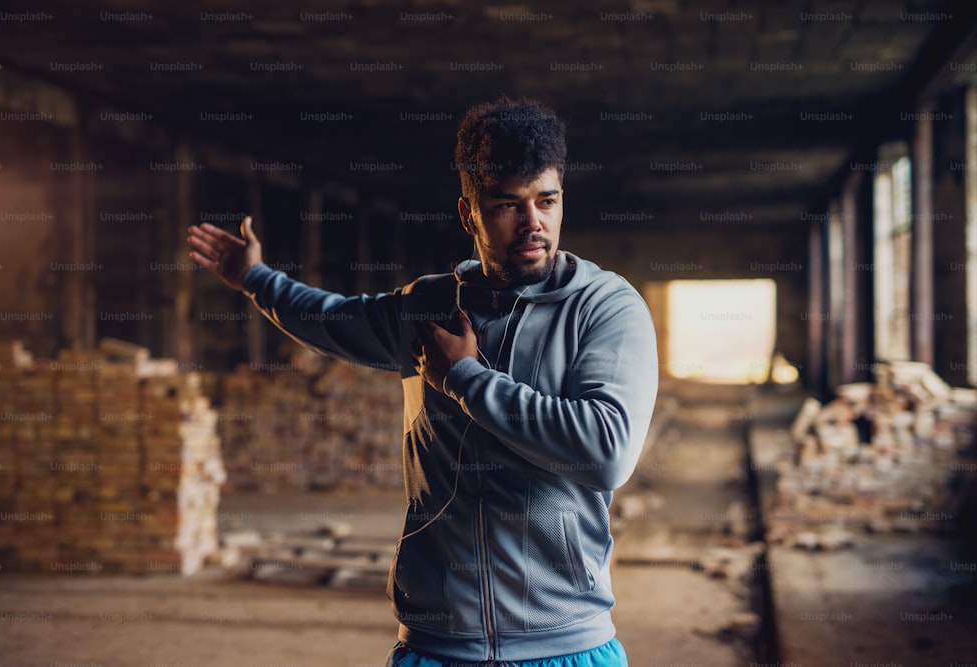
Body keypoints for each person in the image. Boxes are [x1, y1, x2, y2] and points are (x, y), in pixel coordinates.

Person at [187, 97, 658, 667]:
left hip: (566, 642)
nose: (533, 222)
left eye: (547, 201)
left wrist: (464, 377)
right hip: (437, 645)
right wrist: (256, 279)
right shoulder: (430, 307)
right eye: (508, 204)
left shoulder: (604, 308)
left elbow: (606, 451)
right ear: (469, 215)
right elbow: (333, 318)